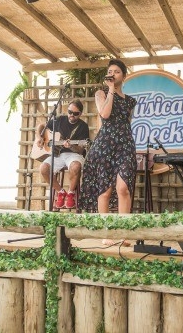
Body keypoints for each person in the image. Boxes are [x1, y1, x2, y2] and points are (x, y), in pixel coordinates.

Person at [81, 59, 137, 246]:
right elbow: (104, 114)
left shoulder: (130, 101)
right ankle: (107, 232)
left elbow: (125, 123)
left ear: (124, 75)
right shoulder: (100, 93)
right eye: (110, 71)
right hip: (105, 145)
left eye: (117, 72)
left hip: (125, 145)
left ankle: (123, 232)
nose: (113, 74)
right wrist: (111, 90)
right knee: (105, 191)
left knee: (123, 188)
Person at [35, 99, 89, 209]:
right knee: (43, 168)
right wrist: (39, 137)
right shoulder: (59, 120)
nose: (72, 115)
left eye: (75, 113)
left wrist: (72, 146)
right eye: (70, 112)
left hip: (74, 155)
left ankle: (70, 194)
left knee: (76, 166)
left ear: (80, 114)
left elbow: (80, 150)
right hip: (57, 154)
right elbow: (41, 126)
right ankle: (60, 192)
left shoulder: (83, 126)